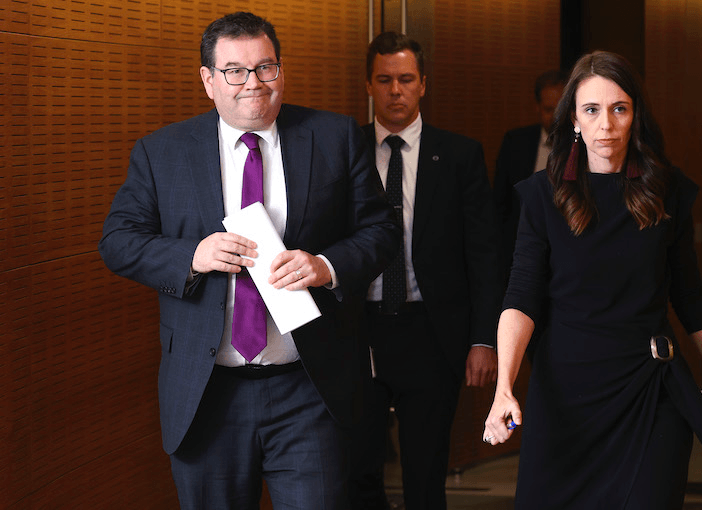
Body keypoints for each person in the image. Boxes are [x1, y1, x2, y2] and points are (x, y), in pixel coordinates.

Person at [98, 11, 400, 509]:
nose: (253, 84)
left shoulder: (333, 136)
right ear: (208, 80)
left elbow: (381, 230)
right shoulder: (162, 152)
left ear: (281, 69)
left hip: (308, 387)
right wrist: (191, 255)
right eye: (235, 71)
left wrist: (326, 265)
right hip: (206, 393)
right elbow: (118, 241)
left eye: (265, 68)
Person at [482, 50, 702, 509]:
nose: (605, 125)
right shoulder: (541, 196)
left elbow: (691, 297)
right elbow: (522, 297)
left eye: (619, 109)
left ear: (636, 115)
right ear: (574, 117)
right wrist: (504, 389)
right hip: (567, 398)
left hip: (651, 391)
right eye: (591, 110)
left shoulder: (666, 190)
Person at [349, 32, 501, 510]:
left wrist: (483, 339)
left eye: (406, 79)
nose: (396, 90)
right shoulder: (342, 148)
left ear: (423, 84)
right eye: (385, 79)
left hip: (430, 333)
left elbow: (484, 254)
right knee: (356, 469)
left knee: (425, 471)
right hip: (358, 331)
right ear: (368, 85)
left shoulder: (458, 155)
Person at [493, 69, 568, 281]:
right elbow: (500, 205)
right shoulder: (515, 143)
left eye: (560, 109)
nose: (555, 117)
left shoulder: (587, 146)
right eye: (548, 109)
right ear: (537, 107)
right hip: (522, 255)